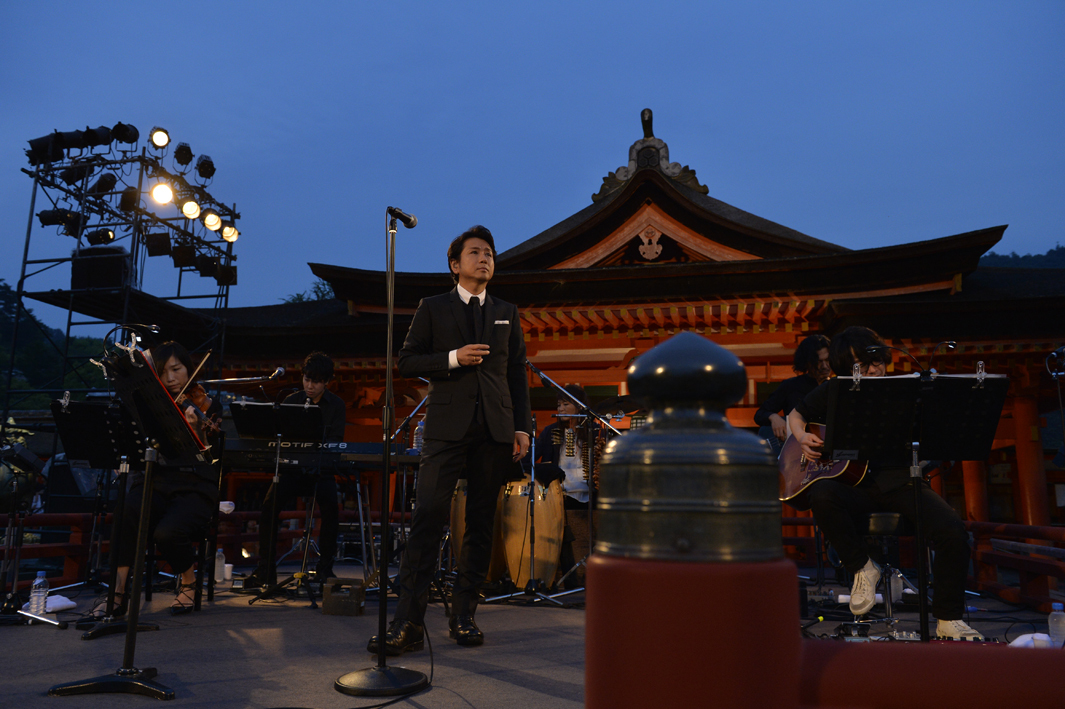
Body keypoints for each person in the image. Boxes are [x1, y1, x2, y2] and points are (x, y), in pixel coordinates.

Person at [368, 225, 532, 654]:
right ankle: (407, 624)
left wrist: (522, 427)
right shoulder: (434, 307)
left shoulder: (506, 310)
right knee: (427, 518)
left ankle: (464, 616)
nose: (485, 259)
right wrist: (453, 358)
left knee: (480, 525)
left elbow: (516, 371)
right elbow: (406, 361)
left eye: (490, 254)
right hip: (445, 428)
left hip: (495, 430)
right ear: (455, 264)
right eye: (476, 252)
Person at [786, 326, 982, 640]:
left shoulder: (905, 388)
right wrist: (801, 435)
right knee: (821, 494)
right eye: (862, 365)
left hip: (901, 481)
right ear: (844, 367)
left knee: (951, 530)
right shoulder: (836, 389)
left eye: (876, 362)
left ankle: (948, 619)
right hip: (853, 485)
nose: (873, 370)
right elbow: (796, 414)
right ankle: (862, 567)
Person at [112, 341, 222, 616]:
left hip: (196, 487)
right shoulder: (148, 405)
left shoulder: (209, 404)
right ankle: (117, 592)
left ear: (189, 369)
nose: (171, 378)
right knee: (127, 512)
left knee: (167, 532)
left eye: (177, 369)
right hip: (157, 482)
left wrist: (200, 432)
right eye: (163, 372)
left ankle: (188, 582)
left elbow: (215, 456)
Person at [244, 352, 346, 589]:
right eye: (307, 379)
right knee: (269, 507)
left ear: (327, 382)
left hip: (321, 470)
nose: (310, 386)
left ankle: (325, 569)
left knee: (332, 508)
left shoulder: (336, 405)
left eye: (316, 381)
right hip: (292, 469)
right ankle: (265, 570)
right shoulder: (291, 400)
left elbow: (336, 442)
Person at [534, 384, 600, 590]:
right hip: (561, 495)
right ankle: (568, 579)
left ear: (580, 407)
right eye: (558, 404)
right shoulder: (551, 431)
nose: (561, 408)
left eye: (566, 404)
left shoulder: (596, 430)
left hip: (592, 495)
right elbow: (532, 460)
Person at [754, 334, 831, 455]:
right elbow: (760, 414)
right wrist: (773, 417)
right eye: (819, 362)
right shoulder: (790, 386)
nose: (825, 366)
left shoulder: (834, 386)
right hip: (794, 453)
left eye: (827, 360)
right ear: (807, 362)